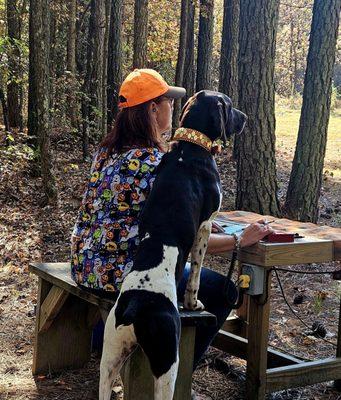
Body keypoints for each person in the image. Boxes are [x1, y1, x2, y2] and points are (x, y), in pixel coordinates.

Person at [70, 69, 273, 400]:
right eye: (167, 102)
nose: (173, 110)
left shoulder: (106, 151)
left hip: (87, 264)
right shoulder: (154, 162)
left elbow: (165, 215)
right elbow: (189, 240)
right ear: (152, 110)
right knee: (222, 290)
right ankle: (178, 369)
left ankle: (102, 336)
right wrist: (241, 239)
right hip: (125, 275)